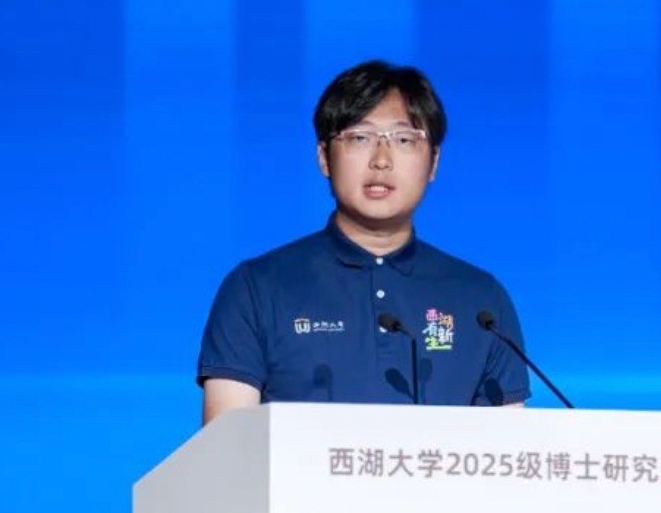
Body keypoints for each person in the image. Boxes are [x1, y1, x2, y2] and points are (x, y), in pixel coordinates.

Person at [196, 60, 532, 423]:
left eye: (404, 140)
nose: (381, 160)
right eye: (360, 138)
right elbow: (226, 445)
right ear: (324, 158)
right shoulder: (256, 289)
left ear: (433, 162)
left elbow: (509, 450)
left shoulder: (483, 303)